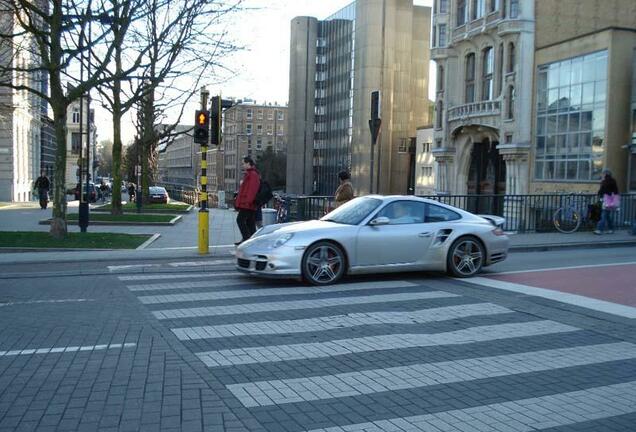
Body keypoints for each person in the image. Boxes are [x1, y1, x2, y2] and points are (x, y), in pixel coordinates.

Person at [234, 156, 261, 245]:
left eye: (243, 163)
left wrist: (247, 202)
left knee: (240, 220)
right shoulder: (250, 174)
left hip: (248, 204)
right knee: (250, 223)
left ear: (248, 163)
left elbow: (252, 190)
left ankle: (246, 239)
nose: (242, 165)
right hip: (248, 204)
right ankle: (252, 241)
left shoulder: (252, 175)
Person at [594, 169, 619, 235]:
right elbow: (616, 191)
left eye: (603, 174)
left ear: (605, 174)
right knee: (607, 216)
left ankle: (599, 230)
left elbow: (601, 191)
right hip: (611, 201)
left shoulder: (604, 182)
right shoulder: (613, 181)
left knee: (603, 215)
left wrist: (599, 194)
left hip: (606, 200)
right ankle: (611, 229)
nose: (602, 175)